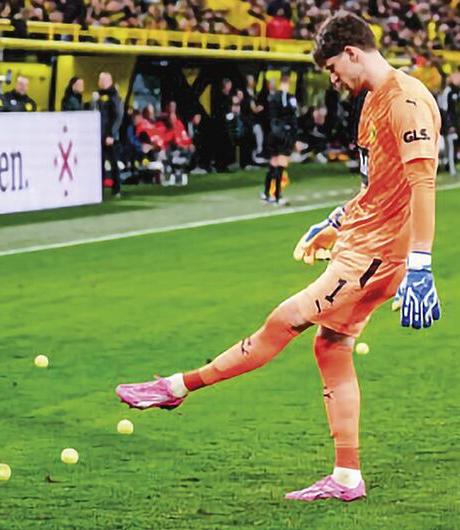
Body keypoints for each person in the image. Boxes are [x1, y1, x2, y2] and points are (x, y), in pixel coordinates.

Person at [115, 11, 442, 502]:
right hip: (363, 245)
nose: (332, 79)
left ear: (352, 52)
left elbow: (423, 185)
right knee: (330, 347)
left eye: (333, 68)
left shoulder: (407, 100)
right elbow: (379, 188)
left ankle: (178, 387)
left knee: (284, 320)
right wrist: (335, 222)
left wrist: (421, 265)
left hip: (375, 257)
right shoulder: (375, 101)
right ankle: (347, 477)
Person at [263, 73, 298, 204]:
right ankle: (277, 196)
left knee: (273, 164)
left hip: (273, 133)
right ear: (288, 82)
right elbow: (293, 117)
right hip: (284, 133)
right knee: (281, 165)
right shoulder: (288, 97)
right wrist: (295, 137)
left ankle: (266, 193)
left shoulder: (272, 97)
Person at [93, 71, 123, 196]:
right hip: (99, 135)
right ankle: (99, 189)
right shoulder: (97, 96)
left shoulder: (114, 96)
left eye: (105, 80)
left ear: (110, 81)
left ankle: (116, 189)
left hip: (110, 136)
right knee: (98, 163)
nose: (102, 83)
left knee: (113, 162)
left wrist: (111, 134)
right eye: (101, 80)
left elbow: (118, 116)